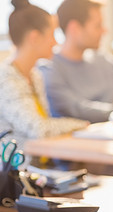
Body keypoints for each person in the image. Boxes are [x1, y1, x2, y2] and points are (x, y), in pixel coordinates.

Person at [0, 0, 88, 151]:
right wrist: (81, 124)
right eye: (52, 34)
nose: (55, 42)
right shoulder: (6, 79)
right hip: (18, 169)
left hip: (42, 161)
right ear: (34, 38)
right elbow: (39, 129)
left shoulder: (35, 75)